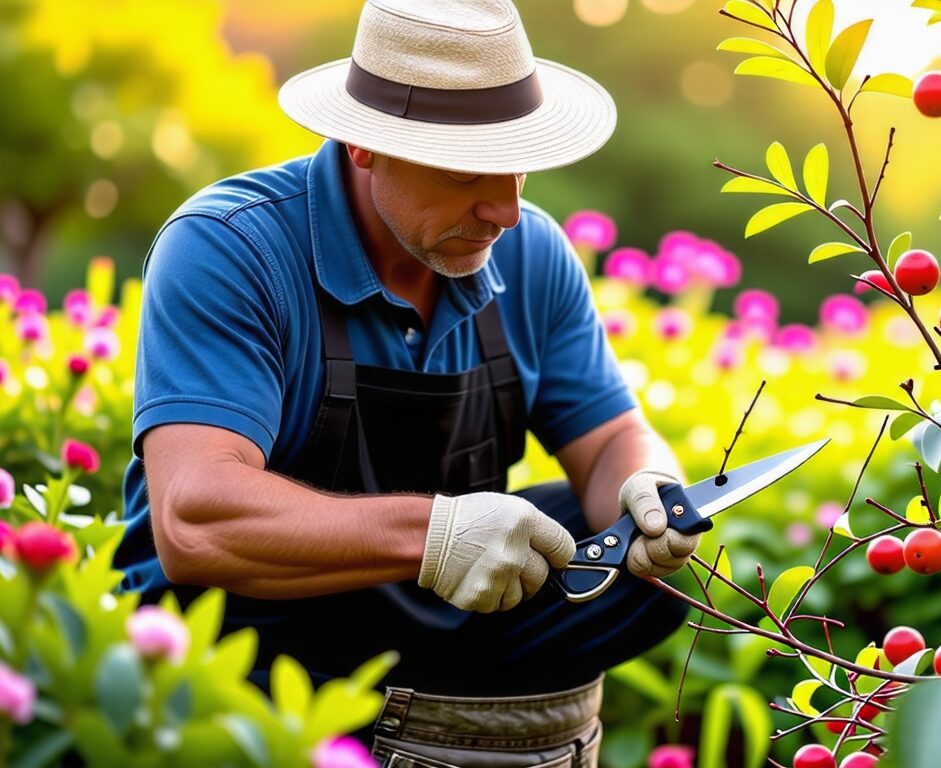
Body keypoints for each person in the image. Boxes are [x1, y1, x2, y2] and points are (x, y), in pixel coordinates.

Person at [111, 1, 701, 764]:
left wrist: (649, 488)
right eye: (465, 174)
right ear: (363, 143)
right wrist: (435, 535)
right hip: (246, 638)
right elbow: (196, 521)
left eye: (518, 164)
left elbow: (612, 436)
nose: (508, 211)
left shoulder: (534, 255)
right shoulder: (230, 248)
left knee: (630, 571)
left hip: (429, 632)